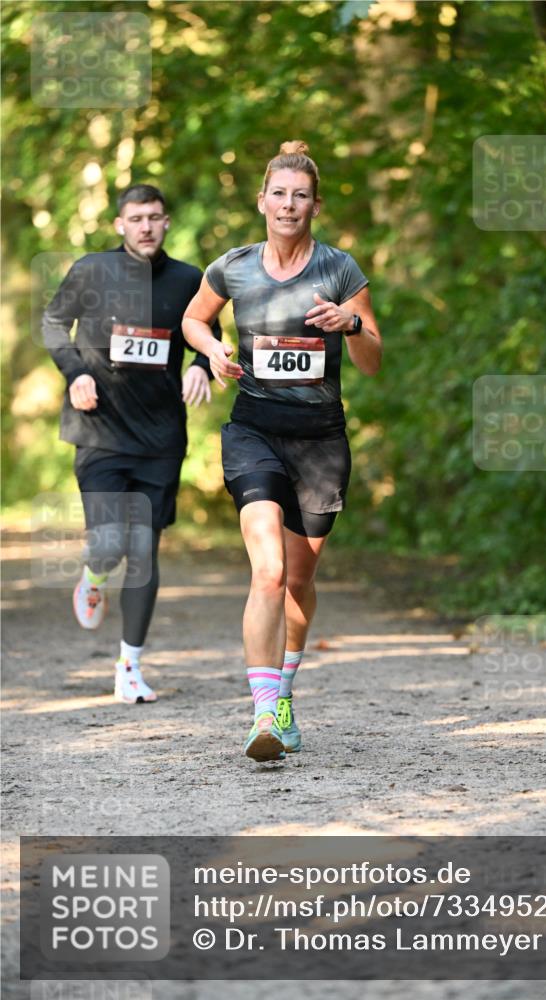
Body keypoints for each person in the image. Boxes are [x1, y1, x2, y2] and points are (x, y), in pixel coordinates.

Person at [182, 141, 382, 761]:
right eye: (279, 194)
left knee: (298, 579)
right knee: (266, 569)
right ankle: (263, 714)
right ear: (262, 200)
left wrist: (349, 327)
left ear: (314, 205)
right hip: (253, 432)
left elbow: (372, 359)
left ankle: (285, 693)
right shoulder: (234, 267)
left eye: (300, 195)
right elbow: (194, 319)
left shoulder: (340, 270)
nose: (288, 205)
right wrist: (213, 351)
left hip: (320, 441)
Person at [43, 183, 220, 703]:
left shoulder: (190, 279)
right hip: (98, 431)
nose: (146, 226)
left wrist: (202, 364)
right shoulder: (92, 271)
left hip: (161, 438)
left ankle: (129, 667)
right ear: (120, 224)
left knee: (143, 550)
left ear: (167, 223)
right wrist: (75, 373)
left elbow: (208, 330)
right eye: (136, 218)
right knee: (111, 543)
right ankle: (93, 574)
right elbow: (53, 322)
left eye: (155, 217)